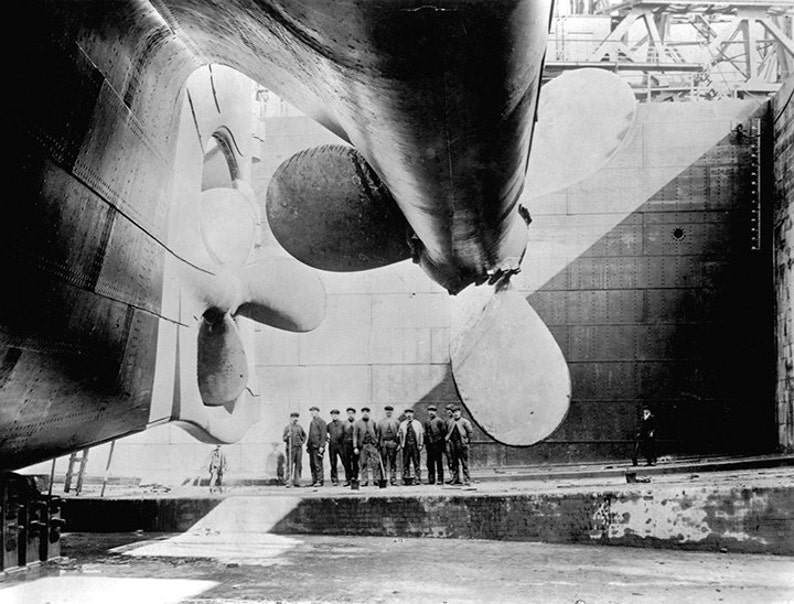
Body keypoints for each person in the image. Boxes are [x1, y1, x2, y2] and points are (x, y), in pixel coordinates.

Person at [354, 406, 381, 486]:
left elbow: (377, 434)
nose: (365, 413)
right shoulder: (358, 423)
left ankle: (376, 479)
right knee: (363, 463)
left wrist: (377, 443)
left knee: (375, 463)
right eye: (364, 412)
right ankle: (364, 480)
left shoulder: (373, 422)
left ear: (369, 413)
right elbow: (355, 435)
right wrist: (355, 447)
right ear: (362, 413)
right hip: (363, 446)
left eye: (367, 412)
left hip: (372, 446)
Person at [446, 406, 473, 485]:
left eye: (457, 412)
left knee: (464, 462)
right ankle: (455, 479)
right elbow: (448, 432)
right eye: (454, 412)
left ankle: (467, 479)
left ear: (460, 412)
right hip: (453, 444)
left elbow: (470, 432)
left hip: (462, 444)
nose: (456, 414)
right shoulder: (450, 422)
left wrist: (467, 441)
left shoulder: (465, 422)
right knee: (454, 462)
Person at [398, 408, 424, 485]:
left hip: (415, 446)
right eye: (407, 413)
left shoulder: (417, 423)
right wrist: (401, 444)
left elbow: (421, 434)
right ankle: (406, 478)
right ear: (405, 415)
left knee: (416, 462)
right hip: (406, 446)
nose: (409, 415)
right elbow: (400, 435)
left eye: (410, 413)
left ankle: (417, 478)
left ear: (413, 414)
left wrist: (421, 444)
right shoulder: (402, 424)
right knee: (406, 462)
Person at [377, 405, 401, 485]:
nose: (388, 412)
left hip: (392, 443)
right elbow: (378, 435)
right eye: (387, 411)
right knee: (383, 462)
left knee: (393, 462)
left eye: (390, 411)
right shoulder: (380, 423)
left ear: (392, 412)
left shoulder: (396, 422)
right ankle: (383, 478)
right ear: (385, 412)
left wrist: (398, 444)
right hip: (383, 443)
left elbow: (399, 435)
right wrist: (378, 445)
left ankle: (393, 479)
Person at [282, 412, 306, 487]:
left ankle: (297, 481)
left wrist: (302, 441)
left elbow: (304, 435)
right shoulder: (287, 427)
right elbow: (284, 438)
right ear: (291, 418)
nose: (295, 419)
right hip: (290, 449)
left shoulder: (299, 427)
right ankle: (288, 481)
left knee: (299, 465)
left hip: (299, 448)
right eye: (294, 417)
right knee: (290, 465)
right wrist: (287, 436)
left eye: (296, 417)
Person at [424, 405, 446, 485]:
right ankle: (431, 479)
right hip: (429, 445)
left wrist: (442, 445)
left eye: (433, 411)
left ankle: (440, 479)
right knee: (430, 463)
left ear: (435, 412)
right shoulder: (426, 422)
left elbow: (443, 433)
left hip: (438, 445)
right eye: (429, 411)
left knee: (439, 462)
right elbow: (426, 433)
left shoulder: (439, 421)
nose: (431, 412)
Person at [307, 406, 327, 486]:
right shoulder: (312, 422)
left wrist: (322, 446)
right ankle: (314, 480)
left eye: (314, 411)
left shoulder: (322, 422)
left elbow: (323, 435)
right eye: (311, 411)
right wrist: (308, 446)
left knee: (318, 464)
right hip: (312, 447)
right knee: (312, 464)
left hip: (318, 447)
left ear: (318, 412)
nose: (312, 413)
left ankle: (320, 480)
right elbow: (310, 435)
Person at [326, 409, 345, 486]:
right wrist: (327, 439)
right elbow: (324, 434)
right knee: (333, 463)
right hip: (332, 446)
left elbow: (345, 434)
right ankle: (334, 480)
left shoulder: (342, 424)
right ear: (331, 416)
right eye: (333, 414)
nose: (334, 416)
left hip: (341, 446)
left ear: (338, 415)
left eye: (336, 414)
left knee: (345, 462)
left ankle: (348, 478)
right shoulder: (329, 425)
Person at [342, 407, 358, 486]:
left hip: (355, 445)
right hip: (346, 445)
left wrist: (356, 446)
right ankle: (347, 479)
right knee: (347, 462)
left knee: (355, 462)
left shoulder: (357, 423)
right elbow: (341, 434)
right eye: (349, 413)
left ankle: (355, 478)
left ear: (354, 414)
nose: (350, 415)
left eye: (352, 413)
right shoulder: (344, 423)